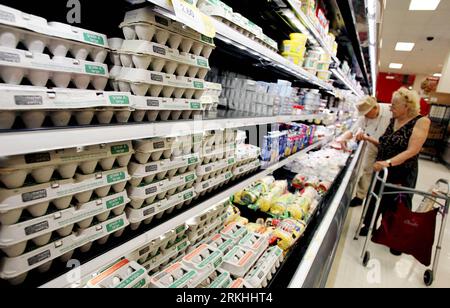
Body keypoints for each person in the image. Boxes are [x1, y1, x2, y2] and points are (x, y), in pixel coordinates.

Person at [359, 88, 431, 255]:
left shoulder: (421, 121)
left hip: (401, 171)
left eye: (394, 105)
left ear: (407, 106)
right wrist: (368, 138)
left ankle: (395, 239)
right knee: (377, 197)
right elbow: (385, 143)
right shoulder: (394, 119)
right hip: (383, 168)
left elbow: (412, 150)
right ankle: (369, 226)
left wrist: (388, 163)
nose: (390, 108)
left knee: (398, 204)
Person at [337, 96, 392, 208]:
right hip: (372, 144)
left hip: (389, 149)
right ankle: (360, 196)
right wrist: (343, 139)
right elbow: (352, 130)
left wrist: (367, 138)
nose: (365, 116)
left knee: (385, 175)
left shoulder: (390, 112)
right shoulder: (365, 116)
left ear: (375, 108)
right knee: (367, 169)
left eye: (367, 113)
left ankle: (379, 200)